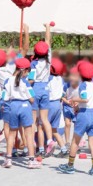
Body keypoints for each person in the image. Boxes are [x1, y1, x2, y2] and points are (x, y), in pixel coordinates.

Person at [58, 61, 93, 176]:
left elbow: (85, 99)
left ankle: (70, 166)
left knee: (75, 141)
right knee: (92, 142)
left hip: (85, 114)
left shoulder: (83, 85)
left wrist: (75, 100)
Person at [2, 58, 41, 169]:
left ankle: (8, 159)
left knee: (12, 133)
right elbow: (32, 99)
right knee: (29, 133)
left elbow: (4, 97)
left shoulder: (8, 80)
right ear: (25, 71)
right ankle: (31, 160)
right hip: (25, 106)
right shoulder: (25, 82)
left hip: (13, 106)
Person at [28, 24, 56, 157]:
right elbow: (48, 41)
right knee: (44, 119)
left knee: (33, 120)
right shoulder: (48, 61)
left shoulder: (33, 64)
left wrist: (23, 83)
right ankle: (50, 140)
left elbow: (31, 79)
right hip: (46, 89)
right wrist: (47, 28)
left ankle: (32, 143)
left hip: (35, 89)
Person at [42, 57, 68, 158]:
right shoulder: (60, 79)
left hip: (50, 104)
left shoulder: (49, 79)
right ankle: (64, 149)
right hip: (58, 104)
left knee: (44, 125)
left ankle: (47, 147)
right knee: (54, 130)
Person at [62, 67, 80, 148]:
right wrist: (67, 102)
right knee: (67, 124)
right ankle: (67, 142)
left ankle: (75, 142)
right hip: (67, 106)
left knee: (77, 125)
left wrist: (78, 103)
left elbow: (83, 98)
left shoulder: (81, 86)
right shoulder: (66, 86)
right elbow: (62, 97)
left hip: (77, 107)